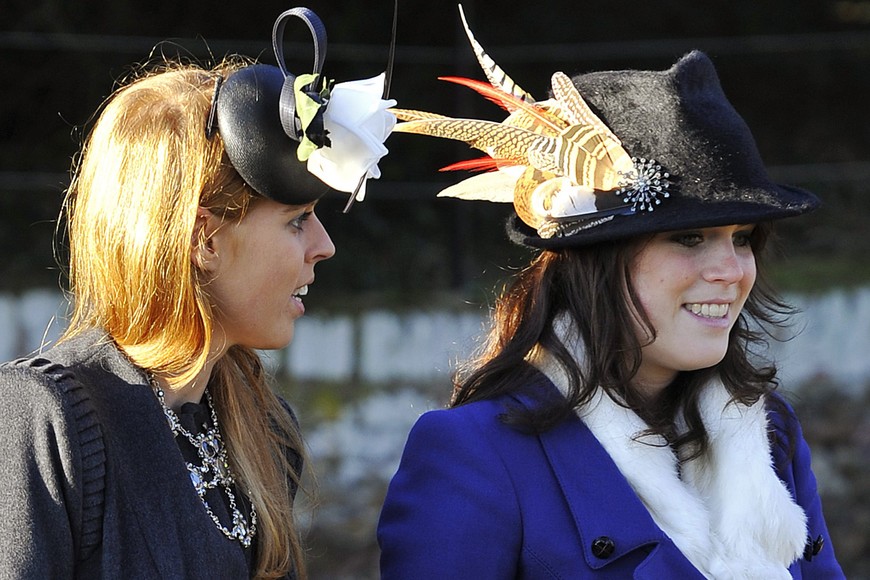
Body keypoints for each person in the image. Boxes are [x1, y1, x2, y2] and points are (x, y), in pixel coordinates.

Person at [377, 8, 844, 579]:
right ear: (598, 261)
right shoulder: (474, 454)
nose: (731, 269)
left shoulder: (770, 435)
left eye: (742, 238)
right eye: (689, 238)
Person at [0, 7, 395, 579]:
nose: (324, 245)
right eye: (295, 220)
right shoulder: (45, 418)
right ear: (205, 239)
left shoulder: (263, 425)